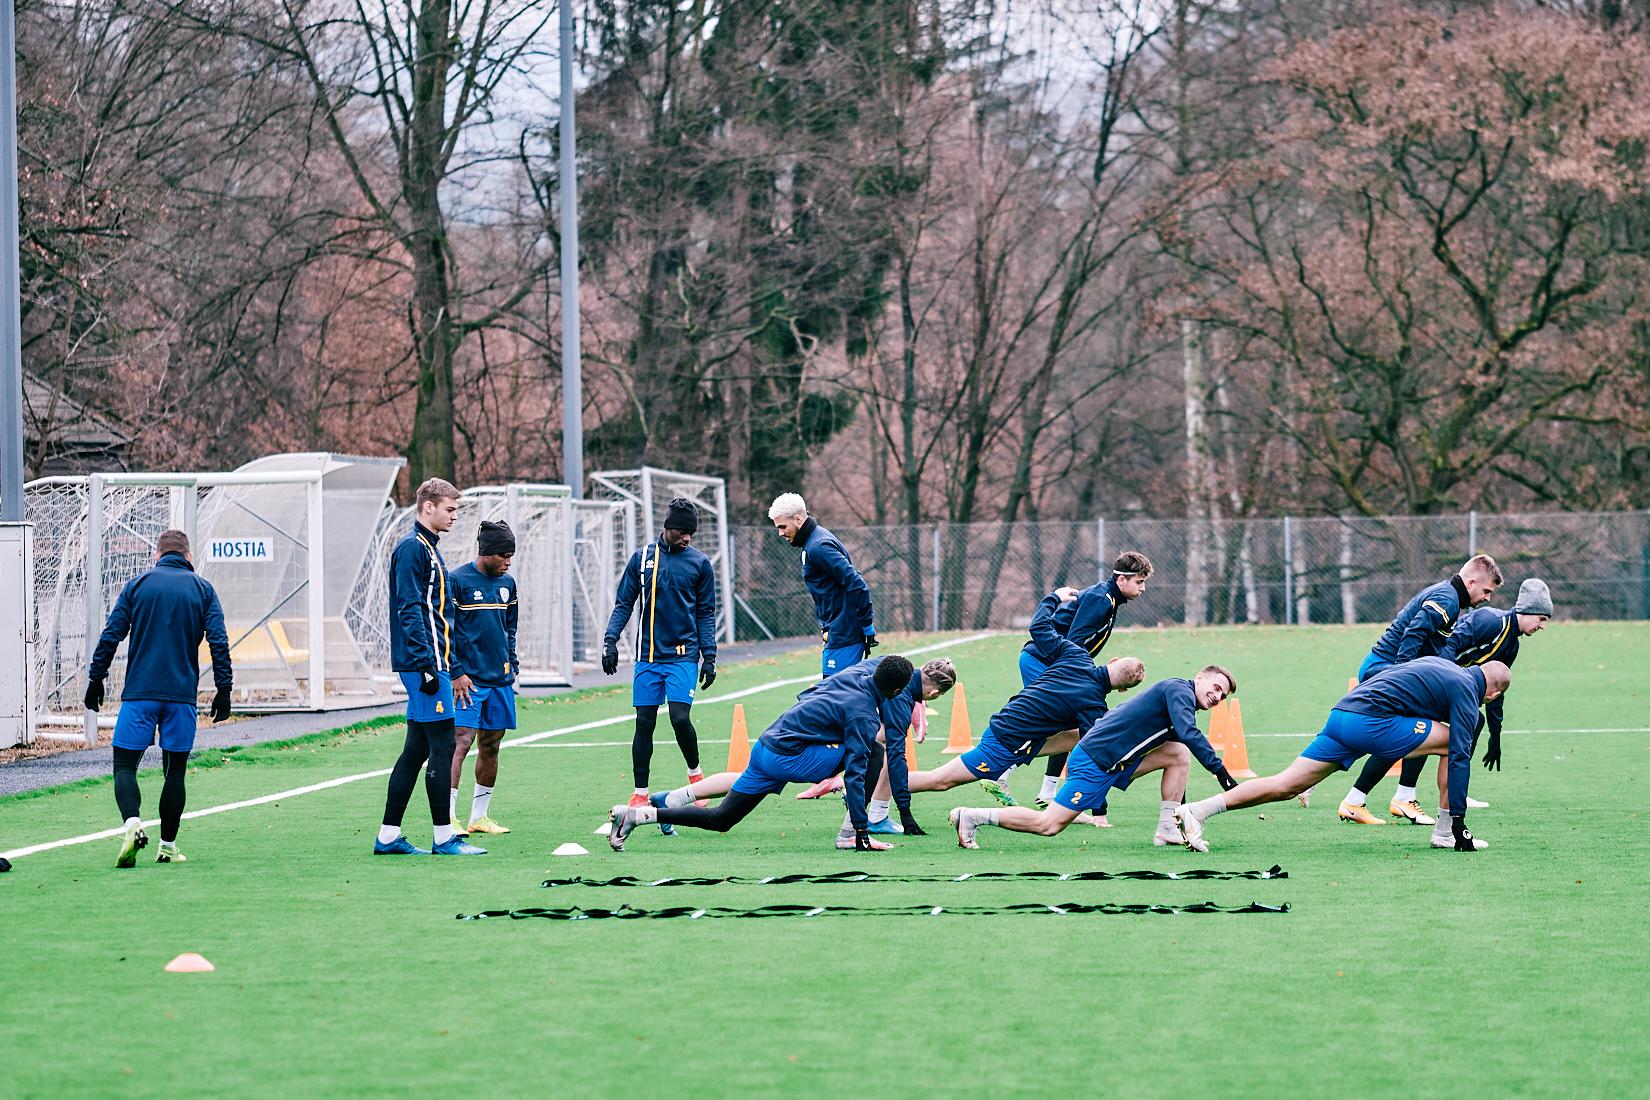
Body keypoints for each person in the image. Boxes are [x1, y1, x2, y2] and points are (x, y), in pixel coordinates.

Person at [1176, 657, 1511, 854]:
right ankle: (1446, 832)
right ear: (1493, 694)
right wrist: (1461, 823)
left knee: (1285, 785)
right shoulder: (1467, 690)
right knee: (1454, 744)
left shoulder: (1447, 667)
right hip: (1369, 722)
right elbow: (1459, 758)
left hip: (1342, 714)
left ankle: (1197, 811)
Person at [609, 656, 917, 851]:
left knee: (722, 818)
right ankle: (849, 835)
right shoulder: (863, 714)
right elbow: (857, 772)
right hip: (789, 756)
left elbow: (808, 694)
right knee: (873, 753)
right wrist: (862, 830)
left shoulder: (852, 677)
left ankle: (637, 816)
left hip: (767, 745)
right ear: (897, 690)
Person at [909, 590, 1154, 824]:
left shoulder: (1075, 654)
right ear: (1122, 690)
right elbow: (1096, 756)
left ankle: (1047, 793)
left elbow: (1038, 628)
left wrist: (1054, 598)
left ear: (1112, 661)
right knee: (940, 781)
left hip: (1007, 725)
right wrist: (1100, 809)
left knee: (1074, 738)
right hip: (1004, 743)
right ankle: (886, 788)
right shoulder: (1093, 707)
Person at [950, 665, 1239, 850]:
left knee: (1177, 754)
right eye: (1215, 688)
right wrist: (1221, 773)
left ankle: (1167, 829)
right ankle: (972, 816)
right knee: (1049, 825)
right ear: (1199, 678)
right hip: (1094, 761)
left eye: (1223, 696)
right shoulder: (1179, 691)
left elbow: (1182, 742)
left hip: (1116, 762)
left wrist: (1181, 813)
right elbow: (1190, 732)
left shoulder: (1181, 699)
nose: (1217, 697)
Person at [86, 530, 232, 868]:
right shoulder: (203, 589)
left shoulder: (137, 585)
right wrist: (224, 689)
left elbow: (111, 635)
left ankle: (132, 825)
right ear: (188, 557)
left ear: (157, 554)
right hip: (181, 697)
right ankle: (167, 846)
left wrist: (96, 678)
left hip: (140, 694)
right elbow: (219, 642)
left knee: (125, 766)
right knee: (175, 772)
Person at [1334, 553, 1503, 825]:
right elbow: (1413, 633)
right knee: (1418, 728)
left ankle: (1370, 797)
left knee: (1415, 729)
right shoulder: (1447, 599)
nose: (1487, 598)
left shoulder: (1450, 598)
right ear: (1471, 582)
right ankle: (1393, 798)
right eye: (1486, 591)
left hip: (1388, 668)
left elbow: (1434, 646)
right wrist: (1401, 677)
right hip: (1384, 669)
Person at [987, 552, 1154, 818]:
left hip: (1052, 662)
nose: (1143, 588)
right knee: (1050, 722)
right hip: (1043, 660)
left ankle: (1047, 791)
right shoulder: (1101, 600)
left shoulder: (1109, 599)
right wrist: (1081, 679)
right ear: (1122, 579)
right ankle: (1002, 771)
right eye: (1139, 582)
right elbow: (1074, 642)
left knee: (1069, 726)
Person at [374, 478, 486, 857]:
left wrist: (450, 665)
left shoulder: (429, 548)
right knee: (443, 746)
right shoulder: (412, 548)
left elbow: (438, 616)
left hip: (433, 663)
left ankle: (388, 837)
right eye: (449, 509)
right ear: (428, 507)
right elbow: (409, 608)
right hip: (424, 665)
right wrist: (425, 664)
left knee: (416, 750)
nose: (454, 516)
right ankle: (443, 838)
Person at [602, 497, 719, 809]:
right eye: (683, 532)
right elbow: (624, 603)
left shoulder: (700, 563)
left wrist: (709, 656)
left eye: (691, 533)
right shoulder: (641, 559)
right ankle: (640, 793)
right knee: (644, 722)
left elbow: (705, 613)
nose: (688, 537)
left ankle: (696, 779)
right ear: (668, 527)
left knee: (680, 718)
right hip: (648, 658)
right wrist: (610, 640)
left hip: (683, 656)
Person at [449, 520, 519, 836]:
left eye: (511, 555)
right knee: (461, 742)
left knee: (491, 745)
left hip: (500, 680)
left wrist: (512, 663)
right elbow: (447, 632)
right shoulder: (457, 581)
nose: (508, 562)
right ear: (486, 552)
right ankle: (448, 818)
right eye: (504, 555)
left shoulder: (508, 584)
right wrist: (456, 672)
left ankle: (479, 817)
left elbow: (510, 628)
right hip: (468, 682)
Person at [768, 493, 875, 678]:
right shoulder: (813, 541)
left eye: (783, 527)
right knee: (835, 691)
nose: (781, 533)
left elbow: (856, 583)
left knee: (837, 692)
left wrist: (867, 625)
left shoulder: (819, 546)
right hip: (838, 631)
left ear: (798, 519)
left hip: (845, 633)